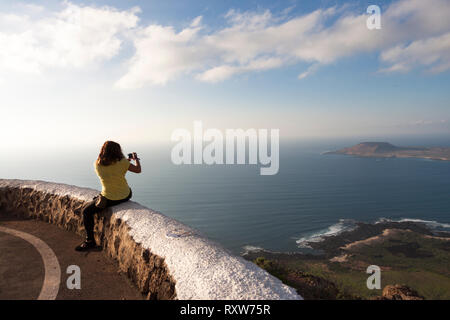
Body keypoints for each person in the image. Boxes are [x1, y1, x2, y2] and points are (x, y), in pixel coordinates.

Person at [75, 141, 141, 251]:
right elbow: (137, 170)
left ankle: (90, 241)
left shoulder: (97, 164)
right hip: (126, 195)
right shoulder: (123, 163)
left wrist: (125, 162)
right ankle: (89, 241)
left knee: (86, 211)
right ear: (118, 151)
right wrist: (136, 160)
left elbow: (112, 169)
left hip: (109, 198)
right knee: (96, 201)